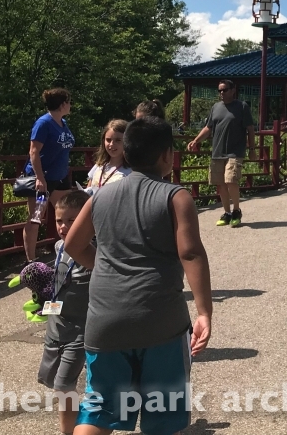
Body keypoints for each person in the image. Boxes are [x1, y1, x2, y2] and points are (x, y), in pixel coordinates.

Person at [65, 116, 212, 435]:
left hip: (105, 322)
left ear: (126, 152)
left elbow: (73, 245)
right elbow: (190, 253)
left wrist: (103, 264)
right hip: (161, 323)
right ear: (166, 155)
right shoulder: (176, 197)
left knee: (99, 410)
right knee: (163, 416)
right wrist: (204, 312)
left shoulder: (99, 197)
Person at [38, 190, 92, 435]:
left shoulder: (93, 253)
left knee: (62, 384)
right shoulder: (59, 247)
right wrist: (41, 300)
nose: (63, 226)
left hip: (82, 330)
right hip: (57, 327)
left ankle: (69, 432)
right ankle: (80, 419)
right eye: (60, 220)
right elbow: (58, 286)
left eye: (72, 220)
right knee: (51, 379)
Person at [187, 79, 256, 228]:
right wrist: (196, 141)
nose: (221, 93)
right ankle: (227, 213)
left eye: (224, 90)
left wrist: (252, 149)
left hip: (235, 152)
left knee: (231, 180)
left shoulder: (242, 107)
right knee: (221, 184)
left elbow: (250, 129)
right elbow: (208, 128)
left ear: (233, 90)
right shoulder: (215, 107)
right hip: (217, 151)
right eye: (219, 90)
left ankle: (237, 210)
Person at [23, 88, 77, 263]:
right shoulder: (44, 123)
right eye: (68, 102)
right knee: (36, 217)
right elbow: (34, 151)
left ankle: (71, 254)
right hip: (44, 180)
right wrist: (39, 178)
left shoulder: (63, 122)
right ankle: (30, 262)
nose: (70, 105)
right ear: (62, 104)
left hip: (60, 178)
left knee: (70, 215)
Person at [85, 120, 131, 196]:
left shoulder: (131, 170)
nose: (112, 144)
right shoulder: (99, 165)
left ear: (127, 141)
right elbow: (88, 190)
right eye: (108, 140)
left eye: (118, 140)